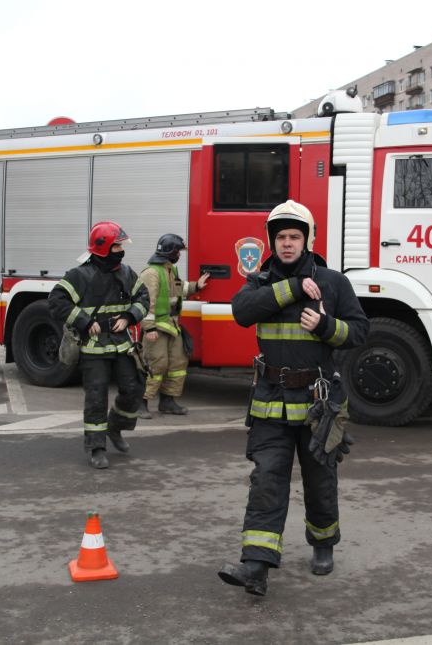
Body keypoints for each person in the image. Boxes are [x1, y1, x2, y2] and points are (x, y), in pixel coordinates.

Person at [217, 200, 369, 597]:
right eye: (281, 237)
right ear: (272, 241)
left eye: (294, 237)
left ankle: (323, 543)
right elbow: (242, 311)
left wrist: (325, 326)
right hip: (270, 402)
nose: (287, 244)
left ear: (308, 239)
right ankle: (256, 566)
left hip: (319, 404)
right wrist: (292, 288)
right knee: (266, 480)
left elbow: (358, 331)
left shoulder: (333, 282)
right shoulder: (260, 280)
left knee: (320, 479)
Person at [49, 221, 150, 469]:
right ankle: (96, 447)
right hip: (93, 348)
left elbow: (143, 297)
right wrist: (83, 321)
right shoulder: (80, 275)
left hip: (121, 345)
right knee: (96, 396)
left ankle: (115, 428)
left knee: (134, 388)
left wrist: (129, 317)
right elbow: (56, 301)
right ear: (104, 248)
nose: (121, 251)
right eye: (117, 246)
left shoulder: (126, 273)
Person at [137, 233, 210, 417]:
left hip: (171, 326)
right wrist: (149, 328)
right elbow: (146, 302)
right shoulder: (151, 273)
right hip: (157, 327)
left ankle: (168, 401)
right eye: (178, 251)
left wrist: (196, 286)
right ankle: (140, 403)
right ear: (170, 251)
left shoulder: (170, 270)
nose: (179, 255)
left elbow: (179, 288)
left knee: (177, 364)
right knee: (155, 364)